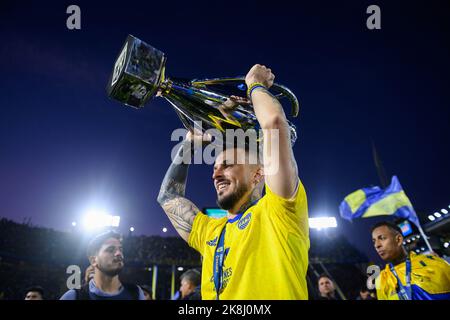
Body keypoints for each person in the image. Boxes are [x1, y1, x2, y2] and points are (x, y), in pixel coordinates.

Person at [158, 64, 309, 299]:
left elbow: (274, 125)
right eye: (215, 167)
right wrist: (188, 145)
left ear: (259, 174)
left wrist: (255, 84)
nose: (215, 174)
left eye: (227, 165)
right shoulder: (210, 231)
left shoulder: (279, 213)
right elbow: (167, 197)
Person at [371, 221, 450, 300]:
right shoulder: (382, 280)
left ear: (398, 239)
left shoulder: (432, 262)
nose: (377, 245)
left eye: (382, 238)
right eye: (374, 241)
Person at [60, 230, 145, 300]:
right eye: (110, 250)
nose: (119, 253)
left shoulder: (136, 293)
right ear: (93, 261)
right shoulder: (73, 297)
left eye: (120, 249)